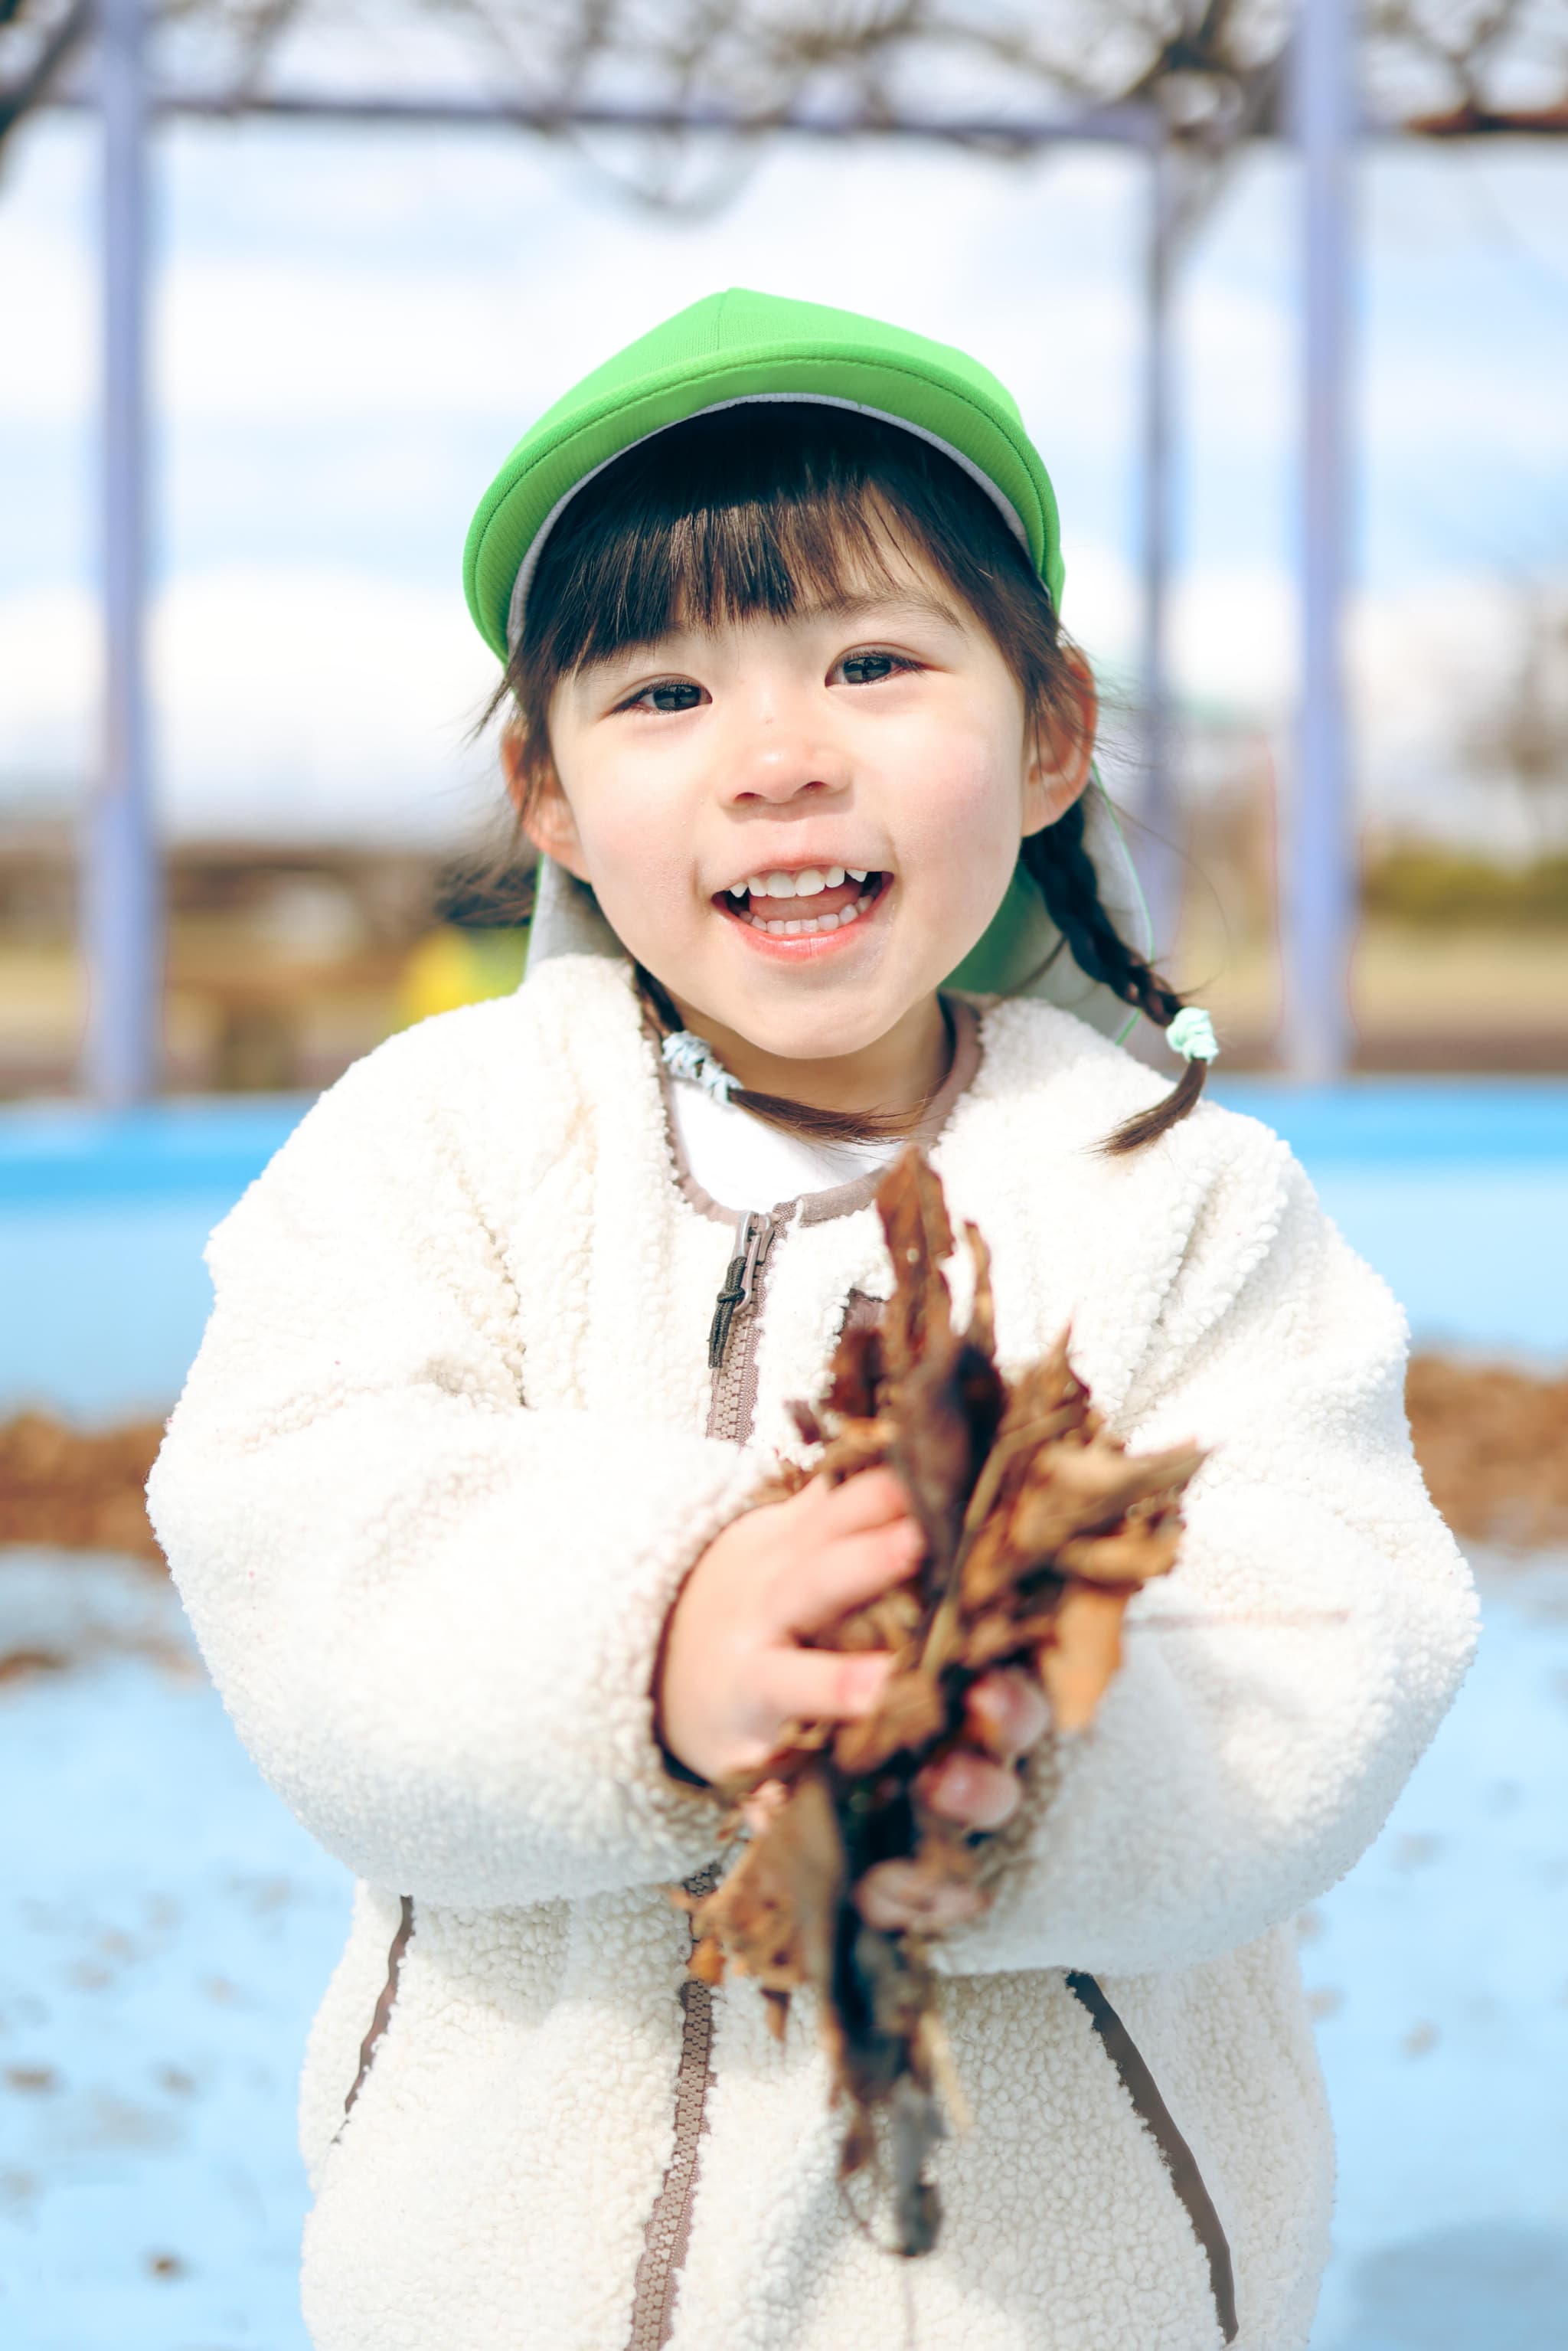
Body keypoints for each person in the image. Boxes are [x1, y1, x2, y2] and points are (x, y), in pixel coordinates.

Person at [149, 289, 1478, 2351]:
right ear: (548, 794)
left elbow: (1335, 1629)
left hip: (1062, 2300)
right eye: (664, 693)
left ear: (1050, 735)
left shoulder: (1182, 1192)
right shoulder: (440, 1147)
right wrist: (656, 1640)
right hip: (513, 2286)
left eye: (872, 663)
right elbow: (304, 1529)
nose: (778, 760)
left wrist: (1028, 1763)